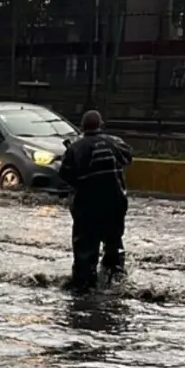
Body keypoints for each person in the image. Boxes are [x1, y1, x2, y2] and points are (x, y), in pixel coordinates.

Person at [58, 110, 133, 290]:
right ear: (101, 124)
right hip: (115, 206)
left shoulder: (75, 149)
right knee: (114, 245)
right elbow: (128, 157)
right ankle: (114, 284)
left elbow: (66, 175)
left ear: (83, 127)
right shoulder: (115, 144)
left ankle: (84, 289)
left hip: (87, 209)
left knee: (85, 252)